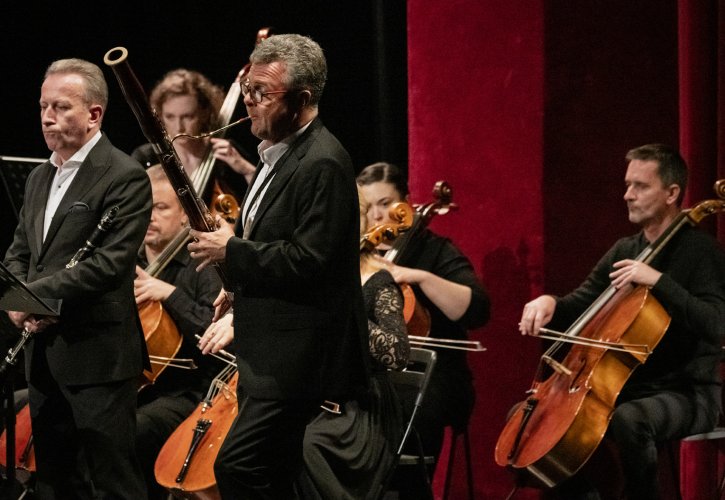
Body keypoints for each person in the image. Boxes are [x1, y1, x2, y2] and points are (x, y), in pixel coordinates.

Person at [189, 34, 369, 499]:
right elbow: (272, 242)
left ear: (302, 99)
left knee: (238, 466)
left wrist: (232, 252)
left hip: (299, 358)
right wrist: (236, 285)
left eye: (261, 93)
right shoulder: (276, 153)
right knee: (279, 473)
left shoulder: (323, 162)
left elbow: (312, 260)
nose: (248, 101)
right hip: (268, 351)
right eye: (246, 89)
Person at [518, 143, 725, 499]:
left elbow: (717, 325)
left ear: (672, 193)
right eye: (628, 185)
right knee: (530, 421)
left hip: (689, 392)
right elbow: (582, 303)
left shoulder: (702, 252)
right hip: (622, 389)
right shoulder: (625, 250)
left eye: (640, 186)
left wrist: (659, 281)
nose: (628, 195)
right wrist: (548, 302)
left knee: (631, 419)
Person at [3, 58, 151, 499]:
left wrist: (31, 297)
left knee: (113, 482)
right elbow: (21, 251)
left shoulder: (124, 175)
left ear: (94, 114)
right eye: (43, 106)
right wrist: (17, 301)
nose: (47, 117)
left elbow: (109, 265)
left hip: (98, 357)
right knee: (54, 480)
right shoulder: (39, 176)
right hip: (45, 353)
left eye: (61, 107)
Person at [356, 161, 491, 496]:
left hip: (431, 379)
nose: (377, 216)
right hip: (371, 377)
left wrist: (419, 277)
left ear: (406, 203)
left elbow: (477, 309)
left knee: (400, 411)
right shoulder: (359, 255)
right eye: (368, 207)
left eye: (386, 203)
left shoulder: (434, 250)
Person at [133, 165, 223, 499]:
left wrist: (170, 295)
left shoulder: (203, 264)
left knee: (134, 429)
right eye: (145, 207)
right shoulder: (127, 261)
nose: (150, 216)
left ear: (185, 216)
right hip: (132, 385)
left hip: (185, 392)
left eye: (161, 207)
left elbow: (214, 333)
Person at [131, 68, 257, 203]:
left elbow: (262, 202)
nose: (179, 127)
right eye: (170, 117)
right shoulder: (147, 157)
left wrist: (247, 170)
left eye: (188, 117)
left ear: (205, 113)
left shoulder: (226, 153)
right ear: (160, 115)